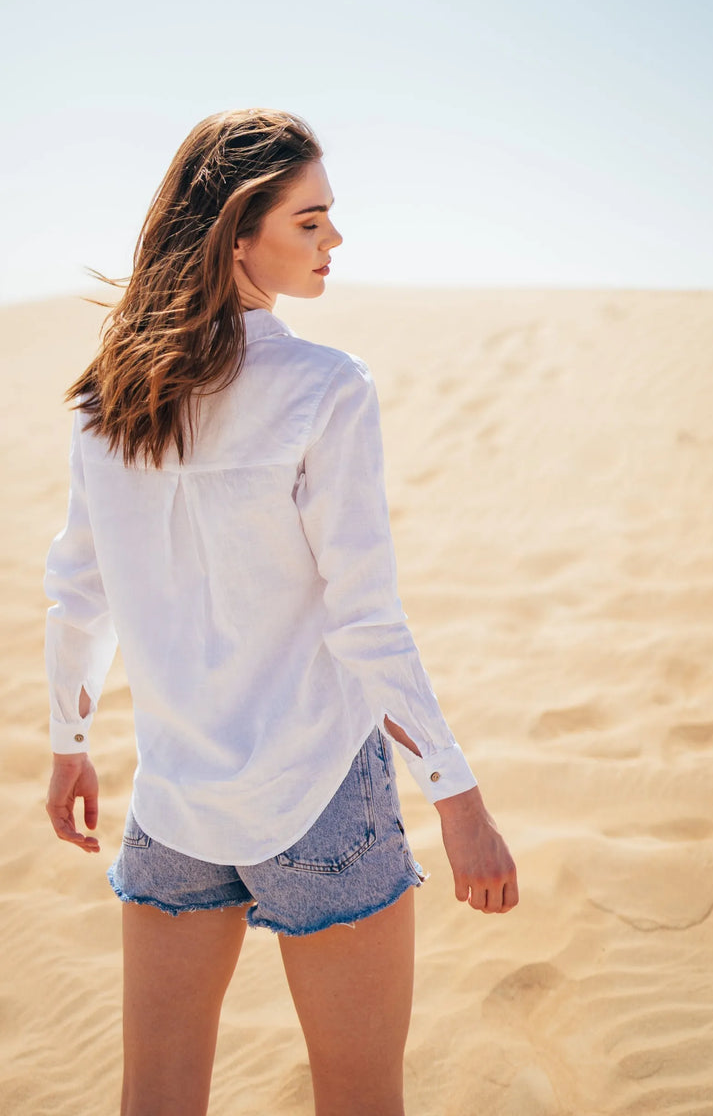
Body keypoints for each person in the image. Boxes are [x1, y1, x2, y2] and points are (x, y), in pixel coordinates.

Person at [43, 107, 518, 1116]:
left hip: (173, 802)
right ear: (235, 231)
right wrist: (456, 795)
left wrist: (67, 742)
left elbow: (77, 594)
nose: (332, 241)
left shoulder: (105, 407)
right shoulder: (324, 388)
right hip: (314, 794)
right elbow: (364, 618)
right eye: (309, 221)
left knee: (155, 1101)